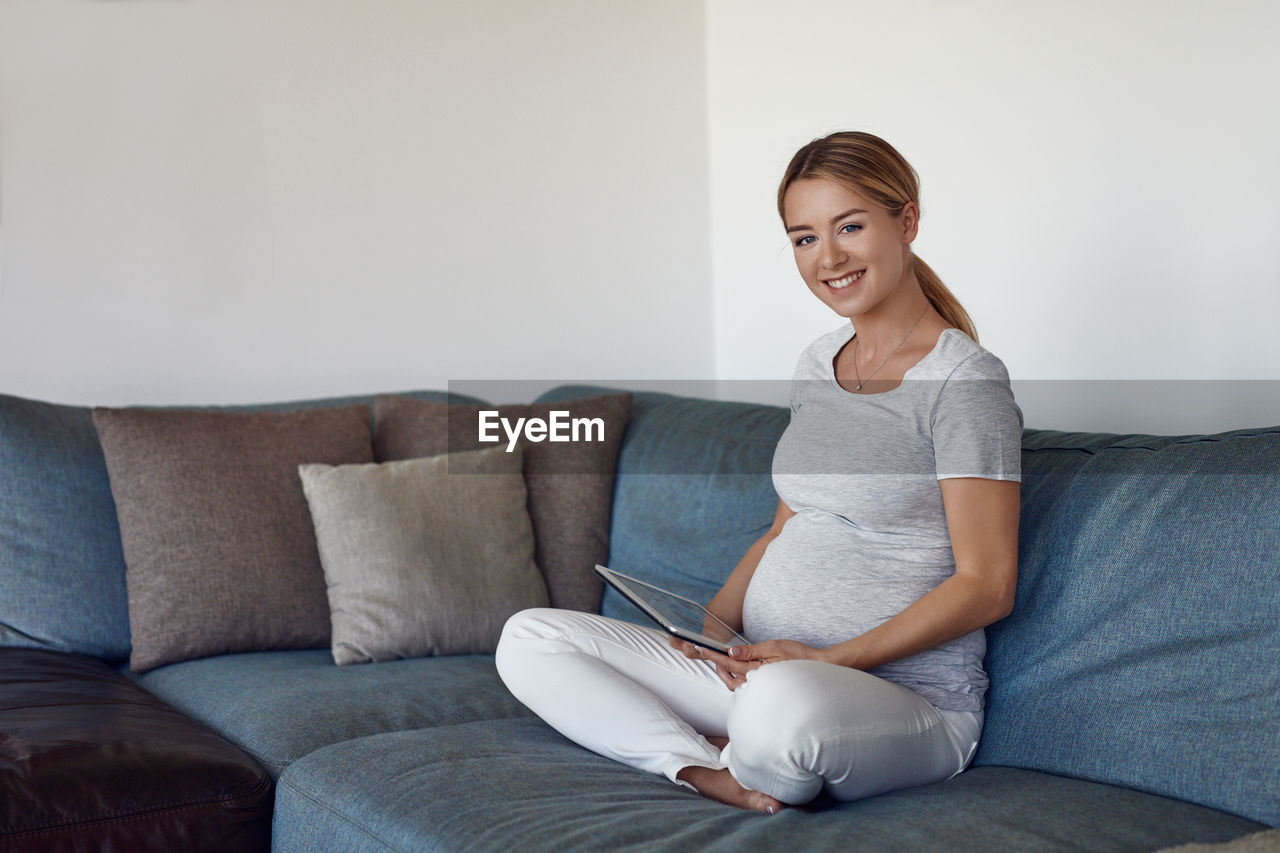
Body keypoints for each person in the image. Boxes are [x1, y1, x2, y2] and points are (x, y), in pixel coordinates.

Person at [495, 130, 1023, 814]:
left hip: (901, 702)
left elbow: (988, 584)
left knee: (779, 709)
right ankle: (700, 766)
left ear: (907, 221)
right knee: (531, 638)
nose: (828, 257)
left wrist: (831, 660)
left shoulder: (965, 382)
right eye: (804, 238)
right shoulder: (817, 363)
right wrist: (707, 636)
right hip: (763, 671)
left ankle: (733, 741)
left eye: (850, 227)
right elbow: (783, 528)